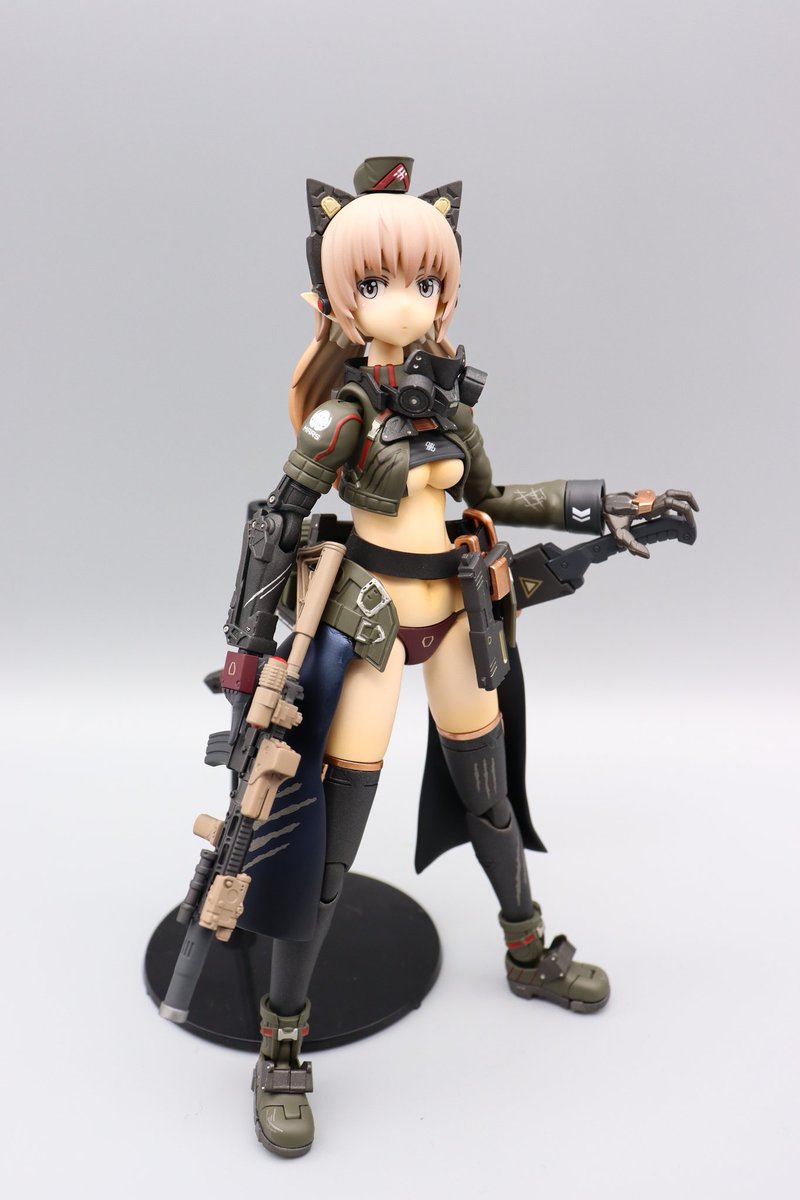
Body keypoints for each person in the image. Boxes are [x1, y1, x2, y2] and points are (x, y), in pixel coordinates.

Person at [220, 156, 698, 1157]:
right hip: (370, 628)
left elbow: (490, 498)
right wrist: (252, 654)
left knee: (491, 800)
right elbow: (277, 518)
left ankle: (526, 951)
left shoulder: (447, 404)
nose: (409, 299)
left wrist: (605, 503)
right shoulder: (345, 413)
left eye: (427, 279)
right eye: (379, 280)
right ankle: (282, 1040)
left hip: (456, 615)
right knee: (330, 844)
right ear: (339, 298)